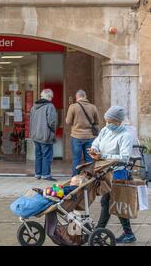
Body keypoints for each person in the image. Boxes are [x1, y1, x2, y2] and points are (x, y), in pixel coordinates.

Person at [89, 105, 136, 244]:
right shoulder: (105, 130)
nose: (107, 124)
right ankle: (127, 233)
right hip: (105, 171)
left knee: (112, 202)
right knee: (111, 202)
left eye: (110, 122)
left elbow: (124, 157)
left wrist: (102, 155)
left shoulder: (125, 136)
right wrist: (94, 149)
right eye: (106, 121)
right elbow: (97, 142)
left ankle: (99, 230)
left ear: (118, 121)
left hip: (118, 172)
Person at [66, 90, 100, 176]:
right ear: (85, 97)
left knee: (76, 159)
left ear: (77, 97)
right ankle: (89, 179)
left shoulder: (73, 107)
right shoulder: (93, 107)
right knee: (89, 159)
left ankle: (75, 179)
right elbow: (97, 122)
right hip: (90, 137)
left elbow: (68, 121)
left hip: (76, 136)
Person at [30, 89, 57, 181]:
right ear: (49, 97)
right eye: (51, 97)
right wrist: (53, 131)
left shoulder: (34, 107)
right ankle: (45, 175)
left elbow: (31, 121)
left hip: (35, 135)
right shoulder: (50, 106)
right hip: (46, 135)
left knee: (38, 155)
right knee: (46, 155)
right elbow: (52, 122)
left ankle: (38, 174)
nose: (52, 99)